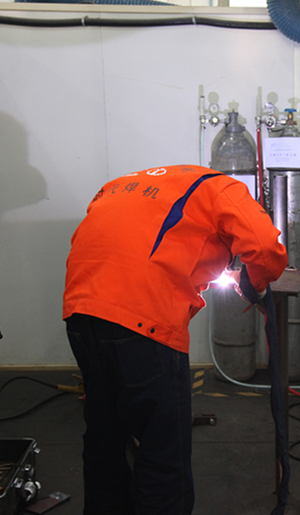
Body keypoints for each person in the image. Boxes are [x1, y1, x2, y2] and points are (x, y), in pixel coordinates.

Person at [63, 164, 287, 515]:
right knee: (163, 452)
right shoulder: (223, 188)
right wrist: (254, 283)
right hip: (144, 325)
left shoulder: (120, 185)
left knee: (104, 439)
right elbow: (264, 247)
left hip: (81, 314)